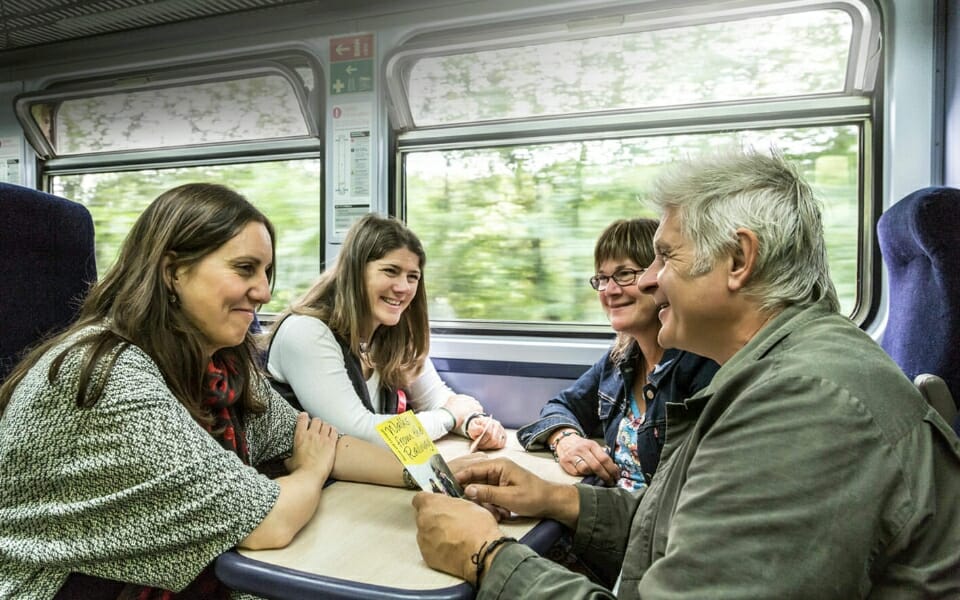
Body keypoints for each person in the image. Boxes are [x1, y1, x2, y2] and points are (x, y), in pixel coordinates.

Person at [411, 148, 960, 598]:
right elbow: (682, 533)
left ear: (740, 260)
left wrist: (486, 558)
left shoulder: (805, 402)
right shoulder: (769, 370)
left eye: (663, 258)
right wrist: (557, 498)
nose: (648, 282)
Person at [0, 183, 412, 599]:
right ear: (172, 271)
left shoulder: (221, 362)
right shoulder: (109, 375)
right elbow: (268, 520)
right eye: (245, 268)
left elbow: (318, 440)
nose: (265, 292)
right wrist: (311, 471)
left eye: (266, 272)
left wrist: (430, 476)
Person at [266, 213, 506, 450]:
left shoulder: (392, 332)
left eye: (413, 277)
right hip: (306, 480)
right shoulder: (306, 332)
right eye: (390, 271)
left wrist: (472, 423)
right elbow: (358, 433)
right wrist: (449, 417)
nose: (403, 288)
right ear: (356, 272)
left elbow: (435, 399)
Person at [516, 218, 717, 489]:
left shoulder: (699, 367)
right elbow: (560, 406)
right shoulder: (620, 360)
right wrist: (566, 439)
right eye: (602, 278)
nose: (610, 290)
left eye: (624, 274)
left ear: (658, 278)